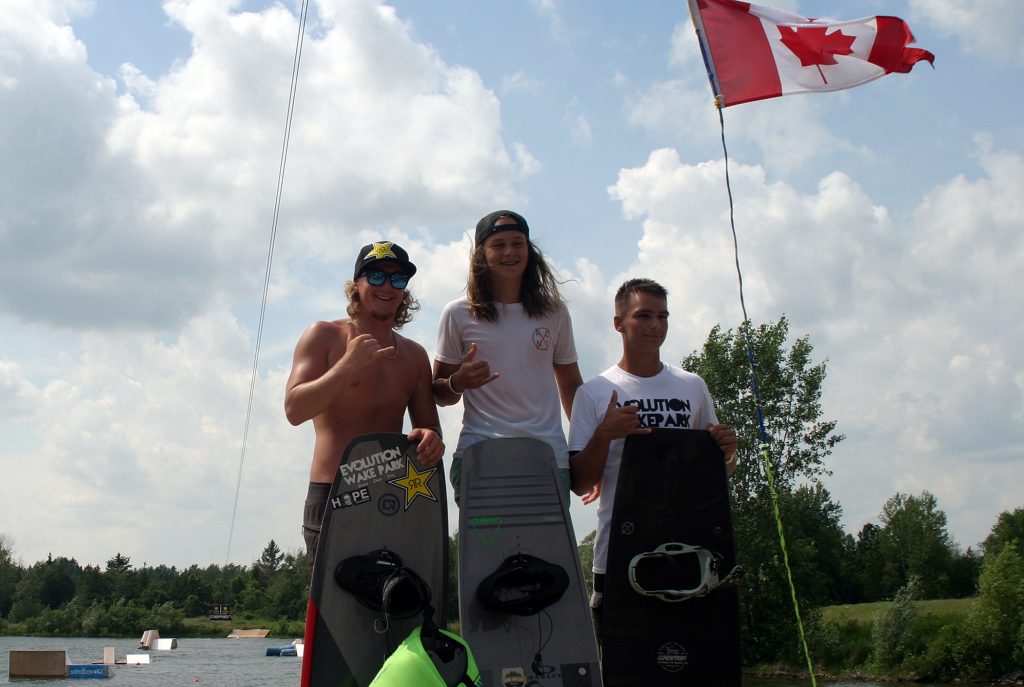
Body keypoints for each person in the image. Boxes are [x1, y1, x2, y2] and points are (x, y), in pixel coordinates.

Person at [566, 277, 738, 642]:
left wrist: (727, 452)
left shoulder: (692, 385)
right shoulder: (594, 392)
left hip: (690, 552)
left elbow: (718, 474)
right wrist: (605, 434)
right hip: (619, 554)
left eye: (662, 316)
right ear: (618, 323)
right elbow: (579, 482)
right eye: (643, 316)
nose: (655, 326)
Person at [285, 240, 444, 557]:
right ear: (356, 285)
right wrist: (346, 366)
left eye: (398, 279)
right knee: (335, 606)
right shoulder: (325, 335)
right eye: (376, 277)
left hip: (392, 491)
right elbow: (294, 409)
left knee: (398, 602)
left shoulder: (413, 356)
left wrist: (430, 439)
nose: (387, 286)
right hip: (334, 492)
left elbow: (431, 432)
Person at [432, 210, 583, 501]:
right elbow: (438, 393)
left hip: (548, 457)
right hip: (481, 455)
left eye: (518, 243)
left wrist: (585, 450)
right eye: (498, 245)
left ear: (530, 250)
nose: (510, 252)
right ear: (481, 254)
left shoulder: (554, 312)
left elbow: (571, 385)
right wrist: (457, 382)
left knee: (550, 548)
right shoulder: (458, 313)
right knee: (486, 548)